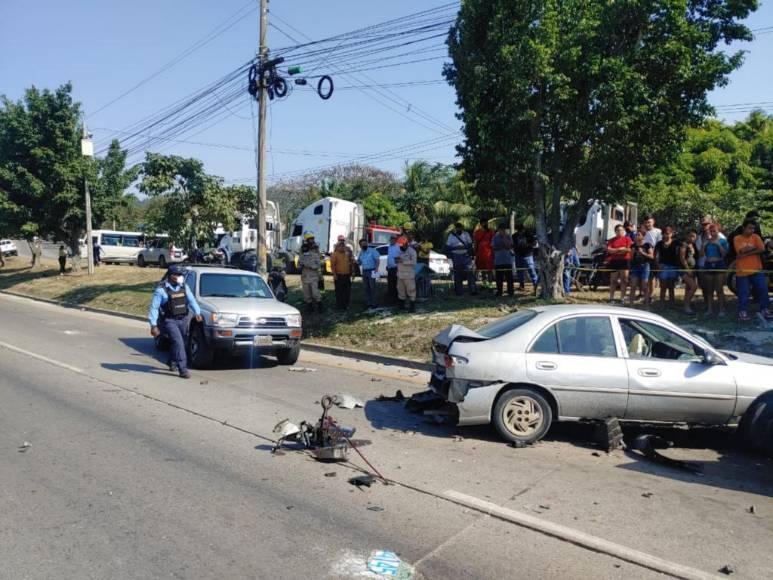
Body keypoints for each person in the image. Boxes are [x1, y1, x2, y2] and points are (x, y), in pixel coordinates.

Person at [148, 265, 202, 379]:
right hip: (169, 321)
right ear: (170, 275)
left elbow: (191, 300)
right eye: (176, 274)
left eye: (180, 275)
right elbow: (154, 307)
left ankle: (172, 361)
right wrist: (153, 325)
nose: (179, 277)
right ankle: (183, 369)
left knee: (180, 341)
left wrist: (197, 312)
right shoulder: (161, 290)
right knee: (179, 343)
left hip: (183, 319)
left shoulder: (184, 287)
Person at [733, 219, 771, 321]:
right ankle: (743, 312)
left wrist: (746, 253)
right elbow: (740, 250)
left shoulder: (756, 237)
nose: (752, 230)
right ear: (744, 228)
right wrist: (753, 248)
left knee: (763, 290)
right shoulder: (737, 238)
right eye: (750, 228)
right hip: (742, 271)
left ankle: (765, 309)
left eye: (753, 228)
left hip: (757, 269)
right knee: (744, 292)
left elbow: (762, 249)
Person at [700, 222, 729, 317]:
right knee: (709, 289)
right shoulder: (707, 241)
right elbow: (701, 255)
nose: (712, 233)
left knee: (719, 289)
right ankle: (709, 309)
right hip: (708, 264)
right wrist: (704, 245)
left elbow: (725, 254)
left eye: (714, 231)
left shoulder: (723, 241)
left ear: (718, 231)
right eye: (711, 231)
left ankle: (721, 310)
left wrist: (718, 244)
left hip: (719, 263)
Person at [447, 222, 477, 295]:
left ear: (462, 228)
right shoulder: (451, 235)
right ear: (455, 228)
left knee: (470, 272)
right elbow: (448, 246)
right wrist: (455, 247)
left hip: (466, 255)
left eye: (460, 227)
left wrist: (466, 247)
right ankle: (459, 291)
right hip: (456, 255)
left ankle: (472, 290)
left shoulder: (466, 234)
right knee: (457, 274)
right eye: (457, 227)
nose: (458, 229)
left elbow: (470, 244)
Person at [606, 224, 632, 303]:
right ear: (615, 231)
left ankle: (622, 298)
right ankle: (611, 298)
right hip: (614, 261)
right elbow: (609, 250)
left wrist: (616, 250)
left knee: (624, 280)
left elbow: (629, 250)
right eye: (618, 230)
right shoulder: (611, 240)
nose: (619, 232)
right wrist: (619, 249)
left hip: (625, 261)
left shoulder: (627, 239)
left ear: (623, 231)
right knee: (613, 280)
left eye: (621, 230)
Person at [655, 226, 680, 306]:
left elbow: (681, 252)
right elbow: (655, 255)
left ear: (671, 234)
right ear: (662, 234)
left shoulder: (676, 243)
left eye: (668, 233)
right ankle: (661, 303)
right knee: (663, 287)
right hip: (663, 267)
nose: (666, 235)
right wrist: (658, 265)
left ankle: (672, 303)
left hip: (673, 267)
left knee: (671, 287)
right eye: (665, 233)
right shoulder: (659, 244)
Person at [299, 232, 323, 312]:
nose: (312, 241)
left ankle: (320, 306)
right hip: (305, 276)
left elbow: (319, 264)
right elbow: (299, 264)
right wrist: (300, 266)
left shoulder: (316, 252)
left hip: (314, 275)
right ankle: (309, 307)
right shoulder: (302, 253)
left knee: (315, 293)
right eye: (310, 239)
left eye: (313, 239)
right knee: (307, 294)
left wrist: (313, 267)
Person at [628, 230, 654, 306]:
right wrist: (632, 254)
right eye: (636, 235)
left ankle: (646, 304)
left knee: (644, 286)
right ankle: (631, 305)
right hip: (635, 267)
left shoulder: (647, 245)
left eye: (638, 235)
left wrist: (642, 252)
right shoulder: (633, 246)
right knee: (633, 286)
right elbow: (631, 258)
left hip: (645, 266)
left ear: (643, 236)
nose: (636, 236)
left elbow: (652, 256)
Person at [330, 235, 354, 310]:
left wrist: (353, 271)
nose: (342, 243)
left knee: (347, 291)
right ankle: (339, 305)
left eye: (343, 241)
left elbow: (352, 261)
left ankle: (346, 305)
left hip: (347, 275)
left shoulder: (348, 251)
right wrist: (334, 274)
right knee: (339, 291)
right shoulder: (335, 254)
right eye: (340, 241)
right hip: (338, 275)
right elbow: (332, 265)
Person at [512, 223, 539, 290]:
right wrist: (516, 247)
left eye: (521, 230)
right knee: (519, 271)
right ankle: (521, 285)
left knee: (531, 269)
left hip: (528, 255)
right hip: (518, 255)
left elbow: (535, 243)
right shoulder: (514, 236)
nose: (520, 231)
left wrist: (527, 245)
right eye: (519, 230)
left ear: (524, 229)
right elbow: (512, 245)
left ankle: (535, 284)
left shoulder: (529, 235)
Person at [679, 229, 699, 314]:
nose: (692, 238)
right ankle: (686, 306)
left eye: (694, 236)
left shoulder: (693, 245)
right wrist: (687, 270)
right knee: (694, 286)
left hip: (693, 269)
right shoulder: (684, 245)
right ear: (687, 236)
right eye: (690, 236)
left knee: (688, 288)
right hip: (684, 270)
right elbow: (682, 258)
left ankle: (687, 305)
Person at [492, 224, 514, 297]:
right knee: (499, 278)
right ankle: (499, 292)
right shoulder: (495, 237)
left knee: (509, 278)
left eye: (503, 230)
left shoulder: (508, 236)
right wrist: (502, 246)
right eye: (500, 230)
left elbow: (509, 247)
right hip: (498, 261)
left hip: (507, 260)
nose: (502, 231)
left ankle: (510, 292)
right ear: (498, 230)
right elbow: (493, 248)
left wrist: (504, 238)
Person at [395, 236, 417, 311]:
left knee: (411, 290)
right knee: (400, 290)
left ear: (406, 244)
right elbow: (397, 260)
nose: (400, 247)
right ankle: (401, 306)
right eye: (400, 246)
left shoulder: (412, 251)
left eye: (402, 245)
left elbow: (414, 262)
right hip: (400, 275)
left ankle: (412, 307)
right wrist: (397, 260)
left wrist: (403, 261)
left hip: (409, 275)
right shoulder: (399, 250)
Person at [357, 239, 380, 309]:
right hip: (364, 271)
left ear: (367, 243)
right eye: (362, 244)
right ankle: (368, 302)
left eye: (365, 243)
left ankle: (374, 303)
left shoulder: (372, 250)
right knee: (366, 287)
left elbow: (377, 260)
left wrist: (376, 269)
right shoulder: (361, 252)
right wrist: (356, 262)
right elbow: (360, 262)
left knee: (372, 287)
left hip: (372, 270)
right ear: (360, 246)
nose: (364, 245)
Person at [473, 218, 495, 284]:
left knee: (489, 270)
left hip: (489, 254)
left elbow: (493, 242)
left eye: (486, 223)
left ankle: (490, 284)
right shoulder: (477, 232)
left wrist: (493, 253)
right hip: (480, 254)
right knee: (482, 270)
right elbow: (475, 243)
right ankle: (484, 284)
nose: (485, 224)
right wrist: (474, 253)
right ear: (481, 224)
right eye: (484, 223)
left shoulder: (491, 231)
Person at [386, 234, 401, 305]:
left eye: (393, 239)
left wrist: (398, 267)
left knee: (396, 285)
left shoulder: (398, 247)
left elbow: (400, 257)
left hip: (396, 268)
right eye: (391, 239)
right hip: (389, 268)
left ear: (396, 240)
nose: (391, 240)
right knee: (390, 285)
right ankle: (391, 300)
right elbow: (389, 257)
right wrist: (387, 265)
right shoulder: (389, 247)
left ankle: (397, 300)